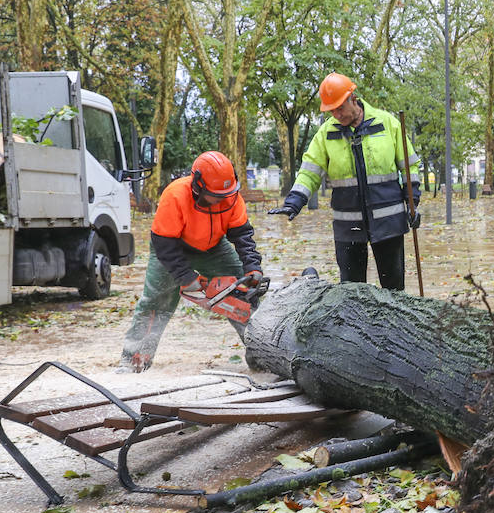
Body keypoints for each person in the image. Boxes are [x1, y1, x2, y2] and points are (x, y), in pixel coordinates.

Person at [118, 151, 264, 373]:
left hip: (214, 246)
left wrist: (252, 266)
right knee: (156, 301)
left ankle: (263, 357)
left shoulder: (231, 196)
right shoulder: (175, 195)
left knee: (244, 295)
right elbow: (163, 243)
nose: (221, 200)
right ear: (198, 185)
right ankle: (134, 360)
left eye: (225, 195)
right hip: (172, 247)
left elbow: (242, 235)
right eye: (215, 195)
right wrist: (186, 277)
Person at [271, 73, 420, 290]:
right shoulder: (326, 134)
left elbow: (409, 166)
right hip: (348, 226)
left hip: (389, 223)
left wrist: (413, 203)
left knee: (394, 290)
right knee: (350, 293)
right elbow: (310, 171)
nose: (336, 114)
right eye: (331, 110)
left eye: (340, 107)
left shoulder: (387, 123)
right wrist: (294, 201)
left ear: (353, 98)